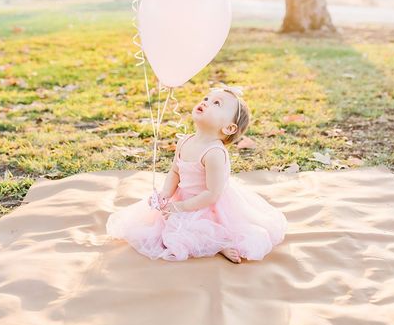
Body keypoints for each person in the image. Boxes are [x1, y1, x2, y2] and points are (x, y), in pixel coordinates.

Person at [103, 84, 288, 263]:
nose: (206, 102)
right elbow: (175, 171)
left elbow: (212, 194)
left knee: (187, 234)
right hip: (183, 197)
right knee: (156, 226)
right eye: (206, 98)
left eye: (217, 103)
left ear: (229, 128)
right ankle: (203, 237)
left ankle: (219, 243)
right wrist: (166, 194)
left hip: (208, 204)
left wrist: (181, 207)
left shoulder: (214, 153)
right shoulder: (185, 141)